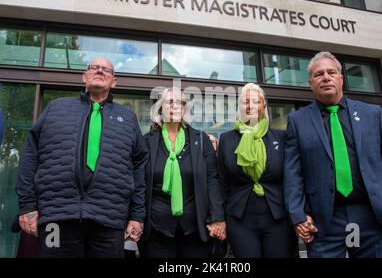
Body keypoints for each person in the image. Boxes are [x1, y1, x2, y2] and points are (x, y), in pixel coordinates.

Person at [16, 57, 148, 258]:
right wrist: (27, 205)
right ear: (84, 76)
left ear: (114, 81)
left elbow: (139, 166)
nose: (100, 71)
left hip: (109, 219)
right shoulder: (56, 108)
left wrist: (137, 216)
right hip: (56, 215)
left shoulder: (128, 118)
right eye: (94, 68)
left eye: (106, 70)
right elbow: (29, 155)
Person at [284, 51, 382, 258]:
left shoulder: (372, 114)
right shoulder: (297, 120)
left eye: (331, 72)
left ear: (341, 78)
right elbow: (293, 173)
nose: (326, 77)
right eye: (319, 74)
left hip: (373, 215)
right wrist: (298, 215)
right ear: (310, 83)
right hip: (325, 221)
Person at [138, 87, 225, 258]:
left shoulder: (201, 140)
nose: (176, 106)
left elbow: (212, 180)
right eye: (170, 102)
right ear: (160, 108)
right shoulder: (146, 141)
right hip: (156, 227)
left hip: (195, 227)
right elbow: (139, 183)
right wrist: (137, 217)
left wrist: (217, 217)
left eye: (180, 103)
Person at [218, 83, 298, 258]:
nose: (250, 106)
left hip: (278, 217)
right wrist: (219, 218)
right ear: (240, 108)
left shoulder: (281, 137)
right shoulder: (226, 139)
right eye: (245, 102)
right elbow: (221, 183)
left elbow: (292, 179)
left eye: (256, 101)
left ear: (263, 107)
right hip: (239, 219)